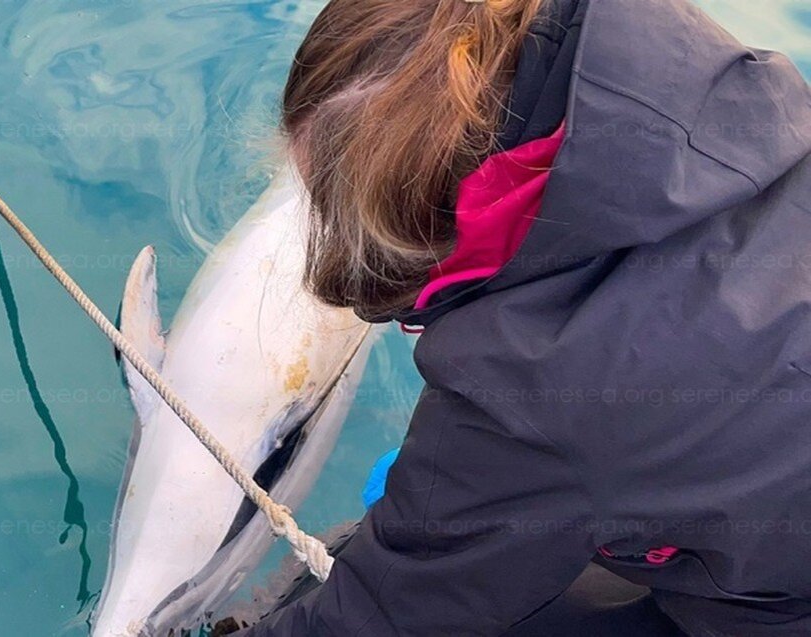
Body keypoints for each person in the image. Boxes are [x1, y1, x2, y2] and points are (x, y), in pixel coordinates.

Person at [238, 0, 811, 634]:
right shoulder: (698, 72)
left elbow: (376, 620)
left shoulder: (532, 400)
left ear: (408, 226)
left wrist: (467, 498)